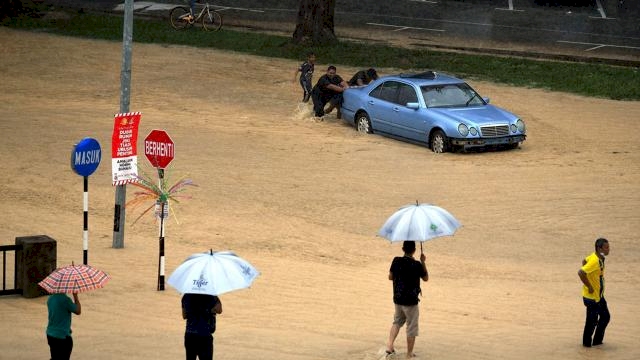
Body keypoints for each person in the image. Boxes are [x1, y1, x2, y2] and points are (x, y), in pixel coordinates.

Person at [386, 241, 428, 359]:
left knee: (397, 321)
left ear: (403, 248)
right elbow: (426, 278)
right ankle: (409, 354)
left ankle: (389, 346)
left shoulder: (396, 260)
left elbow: (390, 277)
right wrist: (423, 262)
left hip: (398, 298)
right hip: (411, 301)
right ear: (414, 250)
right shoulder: (417, 265)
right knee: (411, 327)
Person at [578, 237, 610, 347]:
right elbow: (581, 272)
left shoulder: (598, 257)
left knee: (605, 317)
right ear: (599, 248)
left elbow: (584, 261)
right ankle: (586, 347)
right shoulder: (595, 261)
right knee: (591, 323)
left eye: (608, 247)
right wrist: (589, 286)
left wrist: (591, 277)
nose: (608, 249)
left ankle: (597, 342)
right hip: (591, 298)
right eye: (606, 248)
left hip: (599, 296)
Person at [182, 293, 223, 360]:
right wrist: (210, 310)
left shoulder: (186, 296)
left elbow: (184, 315)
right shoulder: (210, 295)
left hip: (190, 335)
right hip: (204, 335)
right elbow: (219, 309)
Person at [46, 293, 81, 360]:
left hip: (50, 334)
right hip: (62, 336)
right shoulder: (65, 300)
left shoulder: (50, 299)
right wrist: (75, 296)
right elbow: (78, 311)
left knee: (55, 357)